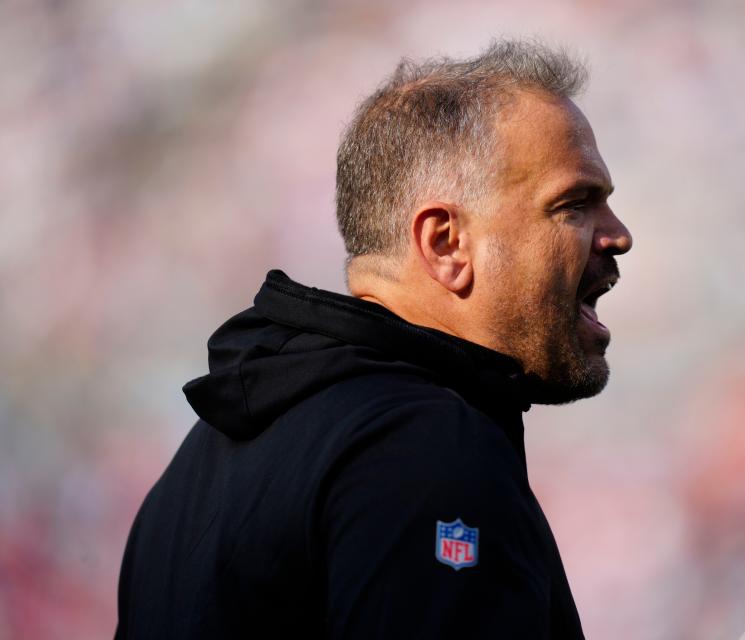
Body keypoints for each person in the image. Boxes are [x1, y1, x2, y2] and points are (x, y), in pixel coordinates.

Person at [116, 39, 632, 639]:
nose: (618, 236)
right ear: (445, 243)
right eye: (574, 205)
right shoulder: (427, 444)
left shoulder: (202, 459)